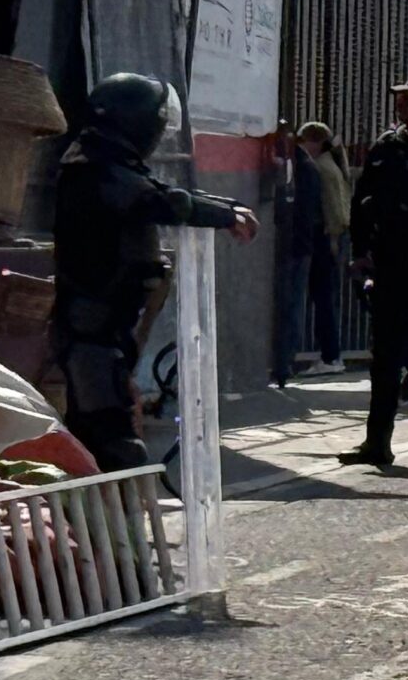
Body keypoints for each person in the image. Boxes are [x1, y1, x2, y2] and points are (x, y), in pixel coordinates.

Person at [54, 74, 259, 472]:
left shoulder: (110, 162)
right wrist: (222, 215)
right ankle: (115, 531)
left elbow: (162, 193)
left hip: (110, 331)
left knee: (98, 437)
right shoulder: (93, 168)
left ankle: (102, 531)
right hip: (90, 335)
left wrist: (226, 207)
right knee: (115, 444)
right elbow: (159, 201)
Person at [341, 71, 408, 466]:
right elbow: (363, 200)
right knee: (385, 356)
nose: (400, 104)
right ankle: (377, 442)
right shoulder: (388, 146)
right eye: (400, 98)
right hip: (391, 263)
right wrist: (360, 249)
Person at [269, 120, 324, 388]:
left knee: (289, 304)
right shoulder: (299, 165)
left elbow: (304, 211)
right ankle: (283, 363)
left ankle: (284, 363)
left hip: (296, 245)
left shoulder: (302, 168)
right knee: (289, 304)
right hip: (297, 244)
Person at [299, 122, 351, 368]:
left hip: (326, 239)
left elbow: (335, 211)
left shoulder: (321, 168)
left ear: (315, 142)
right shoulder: (330, 166)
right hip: (330, 239)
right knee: (326, 298)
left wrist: (331, 239)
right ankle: (330, 354)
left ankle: (330, 356)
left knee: (324, 300)